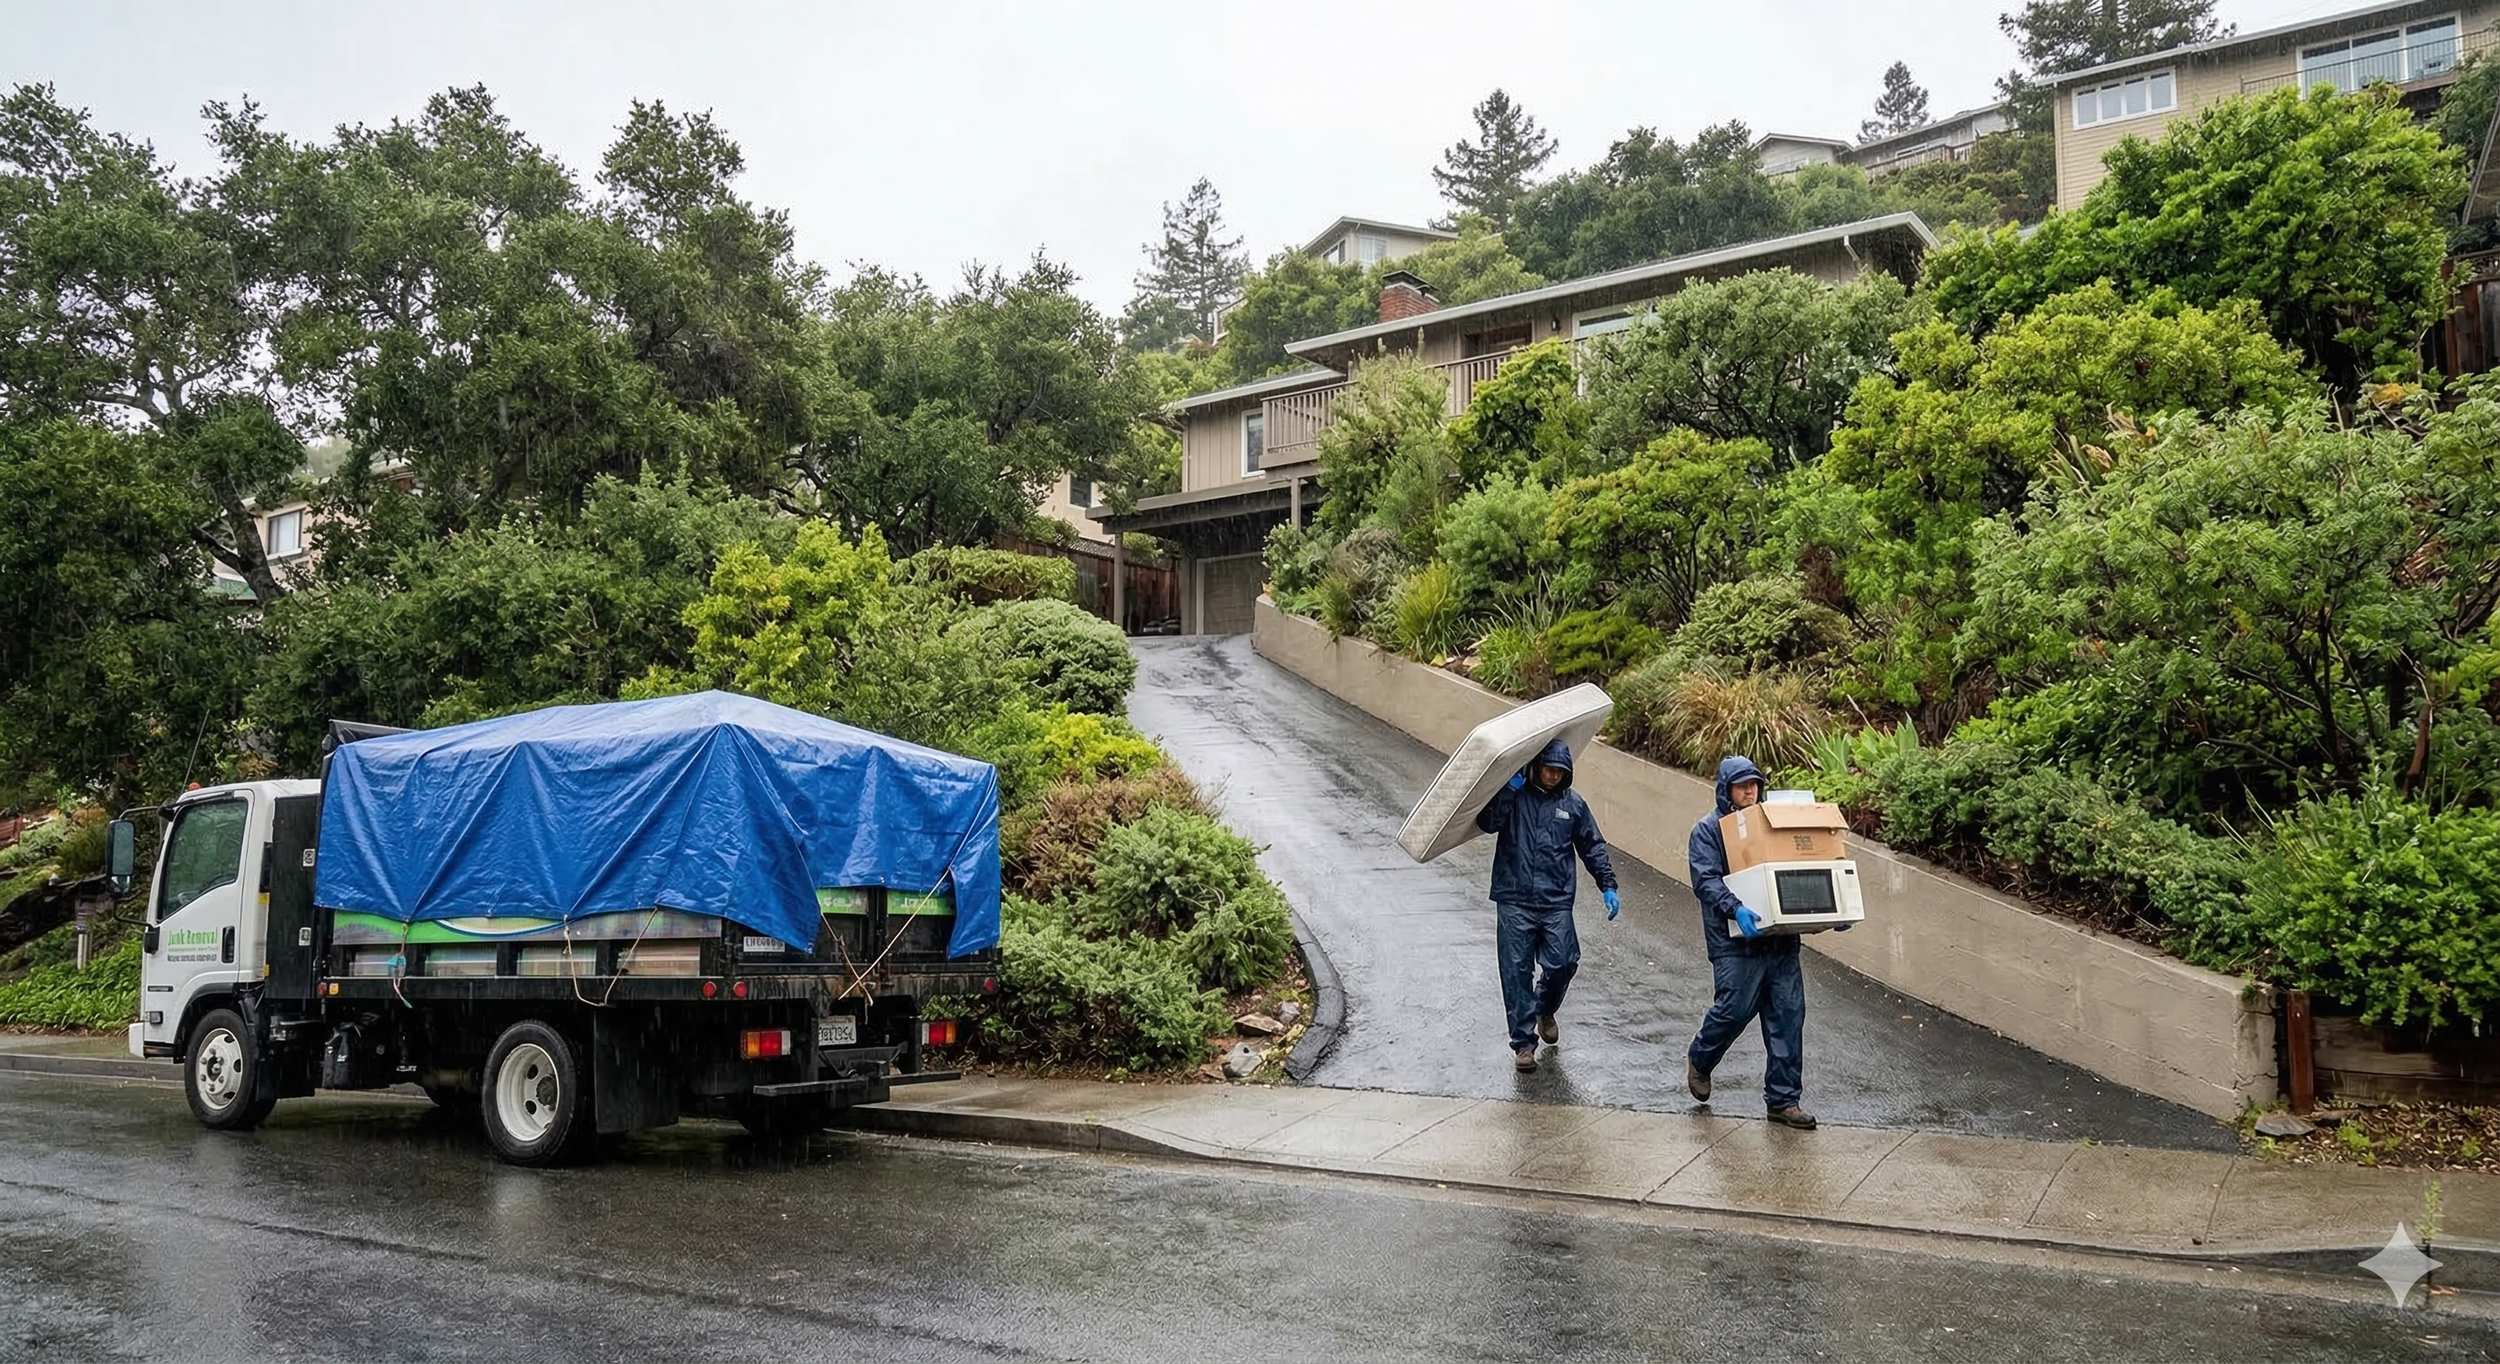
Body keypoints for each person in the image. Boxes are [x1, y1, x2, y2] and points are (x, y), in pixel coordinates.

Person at [1684, 755, 1841, 1130]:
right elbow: (1706, 881)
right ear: (1726, 790)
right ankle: (1701, 1058)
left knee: (1788, 1017)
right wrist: (1734, 908)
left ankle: (1784, 1101)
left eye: (1754, 784)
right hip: (1735, 942)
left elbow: (1798, 865)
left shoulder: (1772, 822)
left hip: (1780, 942)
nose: (1750, 791)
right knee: (1734, 1010)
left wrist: (1833, 909)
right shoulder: (1708, 831)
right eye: (1742, 786)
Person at [1474, 738, 1619, 1073]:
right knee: (1516, 971)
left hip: (1555, 900)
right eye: (1548, 769)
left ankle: (1545, 1007)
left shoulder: (1574, 805)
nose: (1553, 776)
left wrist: (1607, 884)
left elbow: (1592, 846)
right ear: (1536, 767)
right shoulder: (1514, 796)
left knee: (1564, 962)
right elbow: (1488, 823)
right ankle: (1523, 1044)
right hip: (1514, 897)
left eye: (1559, 771)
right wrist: (1508, 790)